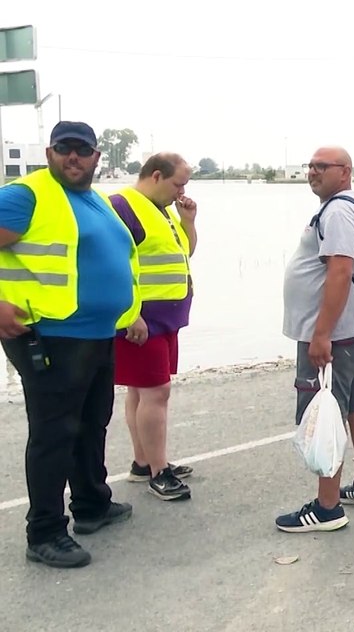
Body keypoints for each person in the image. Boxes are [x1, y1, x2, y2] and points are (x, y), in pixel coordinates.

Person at [0, 121, 139, 568]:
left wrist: (130, 310)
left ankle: (92, 504)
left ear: (97, 156)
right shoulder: (26, 195)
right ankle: (44, 532)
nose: (73, 157)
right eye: (64, 149)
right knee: (54, 433)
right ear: (50, 153)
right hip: (51, 335)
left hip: (97, 333)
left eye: (82, 150)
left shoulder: (93, 199)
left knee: (92, 422)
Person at [276, 147, 354, 533]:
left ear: (345, 172)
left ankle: (327, 507)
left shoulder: (338, 211)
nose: (313, 171)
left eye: (322, 166)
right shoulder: (350, 207)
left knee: (326, 411)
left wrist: (321, 334)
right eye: (310, 166)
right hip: (353, 327)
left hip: (336, 334)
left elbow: (340, 271)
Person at [109, 153, 197, 502]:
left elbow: (185, 252)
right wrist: (129, 314)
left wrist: (188, 221)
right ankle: (160, 473)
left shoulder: (162, 209)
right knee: (156, 392)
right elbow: (112, 265)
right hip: (142, 320)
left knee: (140, 390)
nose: (181, 192)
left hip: (164, 318)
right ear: (156, 176)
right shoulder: (123, 206)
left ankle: (143, 462)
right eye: (178, 184)